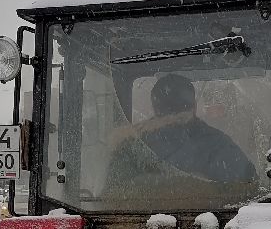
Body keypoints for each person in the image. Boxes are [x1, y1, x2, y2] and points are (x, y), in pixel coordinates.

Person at [108, 73, 257, 196]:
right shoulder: (219, 145)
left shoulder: (129, 146)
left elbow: (111, 195)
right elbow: (249, 191)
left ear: (155, 107)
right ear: (194, 106)